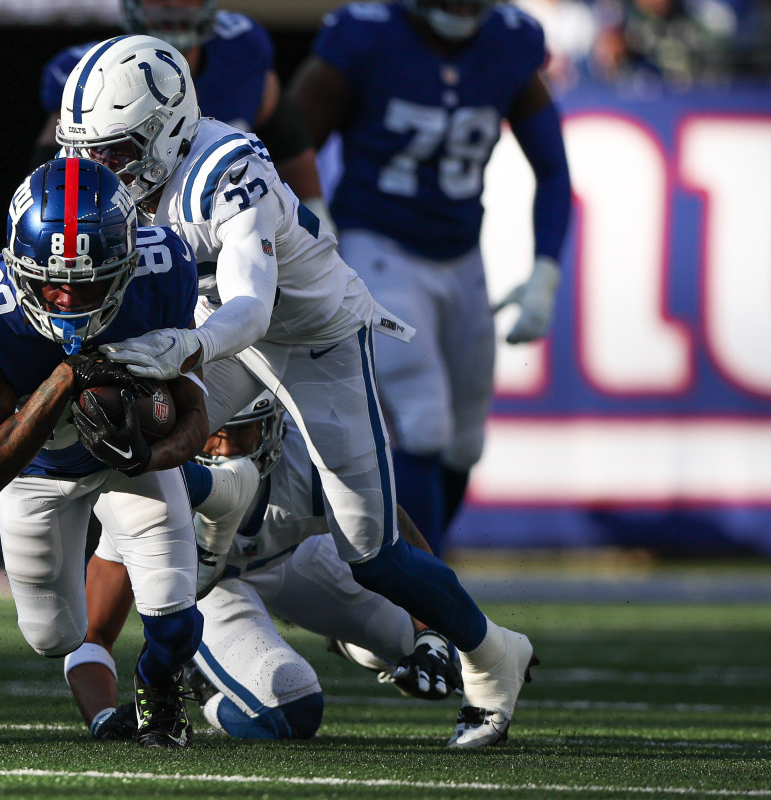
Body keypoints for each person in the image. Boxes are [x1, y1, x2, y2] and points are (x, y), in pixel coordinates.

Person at [57, 35, 536, 748]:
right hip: (228, 337)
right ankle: (169, 629)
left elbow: (250, 305)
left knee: (372, 553)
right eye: (85, 151)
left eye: (115, 152)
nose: (97, 170)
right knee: (137, 427)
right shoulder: (121, 183)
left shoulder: (226, 170)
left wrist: (185, 344)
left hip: (314, 342)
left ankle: (494, 653)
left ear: (166, 131)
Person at [0, 158, 209, 748]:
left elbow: (194, 412)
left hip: (126, 466)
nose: (66, 297)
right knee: (53, 635)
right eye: (51, 281)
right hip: (36, 475)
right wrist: (66, 379)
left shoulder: (163, 271)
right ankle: (98, 691)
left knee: (176, 618)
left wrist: (149, 460)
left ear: (127, 264)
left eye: (87, 280)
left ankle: (161, 695)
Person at [285, 1, 573, 559]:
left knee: (464, 443)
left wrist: (546, 271)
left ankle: (411, 570)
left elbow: (554, 166)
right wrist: (319, 229)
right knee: (422, 422)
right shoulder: (366, 35)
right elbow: (289, 144)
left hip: (463, 257)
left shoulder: (510, 39)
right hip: (377, 247)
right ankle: (423, 603)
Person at [66, 392, 464, 742]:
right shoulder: (154, 492)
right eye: (213, 430)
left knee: (454, 653)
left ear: (274, 428)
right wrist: (102, 716)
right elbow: (94, 633)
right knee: (292, 709)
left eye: (241, 432)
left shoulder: (304, 463)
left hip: (297, 557)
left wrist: (431, 634)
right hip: (211, 592)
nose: (222, 448)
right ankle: (203, 683)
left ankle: (358, 643)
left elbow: (393, 528)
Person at [34, 0, 331, 230]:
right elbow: (53, 179)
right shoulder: (90, 73)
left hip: (233, 223)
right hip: (131, 231)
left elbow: (291, 148)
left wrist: (316, 215)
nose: (174, 5)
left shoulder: (243, 51)